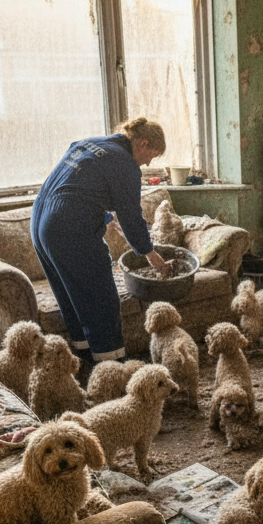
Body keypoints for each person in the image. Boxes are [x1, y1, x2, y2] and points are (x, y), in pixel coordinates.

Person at [31, 116, 172, 364]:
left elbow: (77, 185)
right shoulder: (126, 165)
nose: (149, 162)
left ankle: (84, 360)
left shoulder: (89, 143)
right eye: (152, 154)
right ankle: (113, 369)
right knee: (103, 300)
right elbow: (131, 216)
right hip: (69, 229)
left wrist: (106, 216)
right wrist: (150, 253)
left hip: (41, 221)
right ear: (143, 143)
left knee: (72, 296)